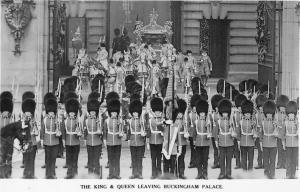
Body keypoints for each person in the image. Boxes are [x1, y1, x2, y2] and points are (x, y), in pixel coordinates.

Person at [213, 99, 235, 179]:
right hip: (221, 142)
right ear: (221, 112)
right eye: (224, 113)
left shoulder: (231, 120)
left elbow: (235, 130)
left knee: (229, 159)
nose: (225, 114)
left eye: (226, 112)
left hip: (230, 142)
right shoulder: (218, 121)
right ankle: (222, 173)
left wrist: (232, 128)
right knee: (222, 159)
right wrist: (216, 141)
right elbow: (216, 131)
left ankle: (228, 173)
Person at [40, 98, 61, 179]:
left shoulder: (57, 120)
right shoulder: (45, 120)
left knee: (53, 159)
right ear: (48, 112)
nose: (51, 113)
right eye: (50, 112)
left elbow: (59, 130)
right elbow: (42, 130)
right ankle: (47, 174)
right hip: (47, 141)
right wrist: (42, 140)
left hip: (55, 141)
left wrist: (58, 125)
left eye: (52, 112)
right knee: (48, 159)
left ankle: (53, 174)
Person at [62, 98, 82, 179]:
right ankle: (69, 173)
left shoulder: (78, 121)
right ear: (68, 113)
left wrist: (79, 133)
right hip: (68, 142)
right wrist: (63, 140)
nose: (71, 114)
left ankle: (75, 173)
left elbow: (80, 132)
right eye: (70, 112)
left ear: (75, 113)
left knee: (75, 158)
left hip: (76, 142)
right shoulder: (65, 121)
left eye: (73, 112)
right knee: (69, 159)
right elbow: (63, 131)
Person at [103, 99, 123, 179]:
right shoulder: (107, 121)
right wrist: (105, 141)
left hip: (118, 142)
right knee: (110, 158)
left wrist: (121, 129)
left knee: (117, 158)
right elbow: (105, 131)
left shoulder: (120, 121)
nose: (114, 113)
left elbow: (122, 131)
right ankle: (111, 174)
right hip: (110, 141)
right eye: (112, 112)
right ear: (110, 112)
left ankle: (117, 174)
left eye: (115, 112)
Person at [127, 99, 147, 179]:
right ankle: (134, 173)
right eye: (134, 112)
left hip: (140, 142)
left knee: (139, 159)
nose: (135, 114)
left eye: (136, 112)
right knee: (133, 158)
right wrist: (128, 140)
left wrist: (144, 134)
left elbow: (145, 130)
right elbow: (129, 131)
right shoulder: (130, 121)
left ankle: (139, 173)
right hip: (132, 142)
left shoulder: (141, 120)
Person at [259, 100, 279, 179]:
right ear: (265, 114)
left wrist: (276, 126)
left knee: (273, 160)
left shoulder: (275, 122)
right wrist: (260, 142)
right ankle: (266, 173)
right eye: (268, 114)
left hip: (273, 144)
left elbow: (277, 133)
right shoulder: (263, 122)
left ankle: (272, 174)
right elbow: (261, 133)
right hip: (265, 144)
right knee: (266, 160)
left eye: (271, 114)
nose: (269, 115)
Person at [83, 99, 102, 177]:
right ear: (89, 112)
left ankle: (97, 173)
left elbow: (102, 130)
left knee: (97, 159)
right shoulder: (87, 121)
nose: (93, 113)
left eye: (94, 112)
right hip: (89, 141)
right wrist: (85, 139)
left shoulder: (99, 120)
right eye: (91, 112)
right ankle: (90, 173)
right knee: (90, 159)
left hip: (97, 141)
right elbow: (85, 131)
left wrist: (101, 133)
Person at [236, 99, 257, 171]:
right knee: (243, 158)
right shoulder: (241, 122)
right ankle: (244, 170)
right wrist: (238, 141)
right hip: (243, 142)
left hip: (251, 142)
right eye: (246, 114)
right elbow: (238, 132)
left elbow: (255, 132)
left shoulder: (253, 122)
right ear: (244, 114)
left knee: (251, 158)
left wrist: (254, 126)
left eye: (249, 113)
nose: (248, 115)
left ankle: (250, 169)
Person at [193, 99, 211, 179]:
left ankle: (205, 173)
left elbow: (209, 132)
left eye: (204, 113)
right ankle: (199, 173)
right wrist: (194, 140)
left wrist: (208, 127)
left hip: (206, 143)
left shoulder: (208, 121)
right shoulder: (196, 121)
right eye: (201, 113)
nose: (202, 114)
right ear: (199, 113)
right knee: (198, 159)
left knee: (205, 159)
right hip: (198, 142)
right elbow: (194, 132)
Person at [147, 97, 164, 179]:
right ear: (154, 111)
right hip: (152, 141)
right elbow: (148, 131)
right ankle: (154, 173)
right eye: (156, 111)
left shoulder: (162, 119)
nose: (157, 113)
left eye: (159, 111)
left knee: (159, 158)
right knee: (153, 158)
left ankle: (159, 172)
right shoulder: (151, 120)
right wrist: (147, 141)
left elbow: (164, 130)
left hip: (160, 141)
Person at [281, 101, 298, 179]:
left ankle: (293, 174)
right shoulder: (285, 122)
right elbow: (283, 134)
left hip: (296, 144)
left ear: (295, 114)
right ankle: (288, 174)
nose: (291, 116)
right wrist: (283, 143)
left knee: (294, 160)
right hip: (288, 143)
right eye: (290, 114)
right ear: (288, 114)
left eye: (293, 114)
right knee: (288, 160)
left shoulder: (297, 122)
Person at [0, 92, 14, 178]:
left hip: (9, 141)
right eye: (4, 111)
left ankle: (8, 173)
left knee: (9, 157)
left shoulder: (12, 118)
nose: (5, 113)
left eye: (7, 111)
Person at [209, 94, 223, 169]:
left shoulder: (221, 115)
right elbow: (210, 123)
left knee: (220, 148)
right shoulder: (211, 114)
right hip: (214, 133)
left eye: (218, 107)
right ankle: (216, 162)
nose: (217, 108)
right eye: (216, 107)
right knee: (215, 149)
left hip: (220, 132)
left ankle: (221, 162)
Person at [175, 99, 189, 179]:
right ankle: (175, 172)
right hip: (176, 141)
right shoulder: (174, 120)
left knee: (182, 158)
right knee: (175, 158)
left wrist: (186, 133)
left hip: (183, 141)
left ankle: (181, 173)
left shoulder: (184, 120)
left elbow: (186, 130)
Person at [187, 94, 202, 168]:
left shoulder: (200, 115)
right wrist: (188, 132)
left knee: (198, 148)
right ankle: (192, 161)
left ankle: (199, 161)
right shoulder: (189, 114)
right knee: (193, 148)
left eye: (196, 107)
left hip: (198, 131)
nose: (194, 109)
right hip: (192, 132)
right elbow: (188, 124)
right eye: (193, 107)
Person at [275, 95, 289, 169]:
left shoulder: (288, 114)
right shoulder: (277, 114)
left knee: (285, 150)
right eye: (281, 106)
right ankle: (279, 163)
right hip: (279, 135)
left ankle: (285, 163)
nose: (283, 108)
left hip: (286, 135)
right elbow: (275, 122)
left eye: (284, 106)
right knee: (279, 149)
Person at [254, 94, 267, 169]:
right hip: (259, 133)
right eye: (260, 107)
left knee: (265, 149)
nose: (261, 109)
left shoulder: (267, 115)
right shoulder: (256, 114)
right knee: (259, 150)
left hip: (265, 133)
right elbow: (255, 124)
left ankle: (265, 163)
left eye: (262, 107)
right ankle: (259, 163)